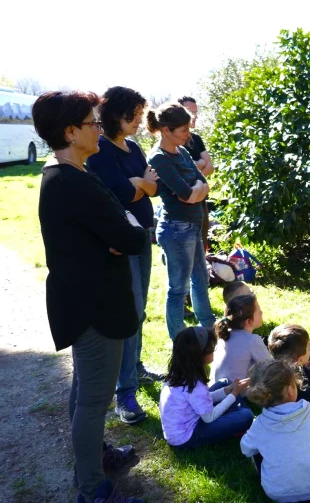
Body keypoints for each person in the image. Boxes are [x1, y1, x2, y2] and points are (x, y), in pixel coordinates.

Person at [34, 90, 147, 503]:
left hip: (86, 302)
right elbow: (129, 235)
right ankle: (92, 489)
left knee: (85, 389)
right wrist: (121, 233)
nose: (99, 129)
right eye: (92, 123)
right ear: (69, 131)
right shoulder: (70, 181)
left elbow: (120, 228)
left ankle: (94, 460)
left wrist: (120, 231)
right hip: (95, 307)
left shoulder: (69, 173)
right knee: (93, 398)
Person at [86, 86, 161, 426]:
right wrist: (139, 185)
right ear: (116, 113)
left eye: (140, 113)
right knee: (128, 312)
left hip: (143, 236)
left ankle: (136, 369)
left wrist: (140, 184)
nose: (138, 121)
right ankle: (124, 393)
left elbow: (153, 185)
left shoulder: (133, 147)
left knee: (140, 308)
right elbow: (117, 192)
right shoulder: (99, 149)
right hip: (122, 240)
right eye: (133, 114)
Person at [146, 102, 214, 339]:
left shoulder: (183, 152)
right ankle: (179, 339)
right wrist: (194, 191)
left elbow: (203, 185)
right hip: (176, 229)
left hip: (193, 226)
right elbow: (185, 194)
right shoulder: (159, 158)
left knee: (201, 278)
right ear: (166, 130)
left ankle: (209, 328)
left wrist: (195, 191)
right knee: (178, 288)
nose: (188, 134)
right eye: (184, 130)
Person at [242, 360, 310, 503]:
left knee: (255, 449)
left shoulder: (259, 425)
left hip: (276, 493)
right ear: (290, 390)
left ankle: (273, 476)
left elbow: (246, 449)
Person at [159, 326, 253, 449]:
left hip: (182, 425)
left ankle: (235, 415)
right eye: (211, 349)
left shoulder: (180, 372)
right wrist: (233, 395)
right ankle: (240, 421)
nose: (214, 351)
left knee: (225, 383)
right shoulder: (195, 384)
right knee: (247, 415)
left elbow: (202, 398)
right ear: (200, 355)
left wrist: (228, 390)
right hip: (187, 437)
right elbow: (209, 417)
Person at [210, 294, 272, 384]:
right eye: (258, 311)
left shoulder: (223, 336)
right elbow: (271, 368)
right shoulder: (252, 341)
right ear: (248, 321)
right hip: (238, 395)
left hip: (215, 391)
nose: (262, 312)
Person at [177, 96, 213, 254]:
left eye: (196, 112)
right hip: (179, 203)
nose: (195, 116)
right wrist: (197, 165)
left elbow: (210, 166)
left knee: (202, 243)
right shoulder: (171, 141)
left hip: (201, 201)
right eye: (190, 112)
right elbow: (174, 170)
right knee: (183, 251)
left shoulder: (196, 139)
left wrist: (191, 175)